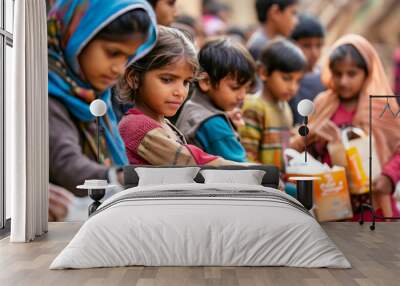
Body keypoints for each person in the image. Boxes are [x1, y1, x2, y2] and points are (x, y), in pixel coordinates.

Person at [48, 0, 157, 219]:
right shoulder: (46, 92)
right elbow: (67, 164)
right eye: (112, 52)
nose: (119, 68)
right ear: (79, 36)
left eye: (127, 57)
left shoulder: (94, 95)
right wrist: (118, 176)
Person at [292, 34, 400, 219]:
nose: (343, 81)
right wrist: (313, 138)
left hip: (374, 204)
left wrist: (389, 176)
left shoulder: (382, 108)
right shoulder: (322, 104)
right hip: (332, 204)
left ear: (367, 72)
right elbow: (303, 147)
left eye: (351, 74)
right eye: (338, 74)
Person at [117, 26, 236, 166]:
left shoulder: (165, 124)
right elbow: (191, 162)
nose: (180, 92)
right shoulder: (136, 127)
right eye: (167, 79)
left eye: (186, 82)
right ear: (134, 78)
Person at [176, 38, 256, 162]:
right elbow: (243, 170)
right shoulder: (213, 124)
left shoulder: (191, 107)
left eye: (246, 88)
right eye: (235, 88)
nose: (242, 96)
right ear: (206, 82)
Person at [240, 38, 307, 170]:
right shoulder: (254, 107)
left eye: (298, 81)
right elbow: (248, 157)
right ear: (263, 72)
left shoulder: (285, 107)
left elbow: (283, 153)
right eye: (287, 78)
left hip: (280, 179)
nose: (293, 87)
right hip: (263, 183)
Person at [289, 13, 326, 125]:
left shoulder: (326, 77)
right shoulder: (286, 80)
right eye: (306, 45)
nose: (314, 53)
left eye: (318, 46)